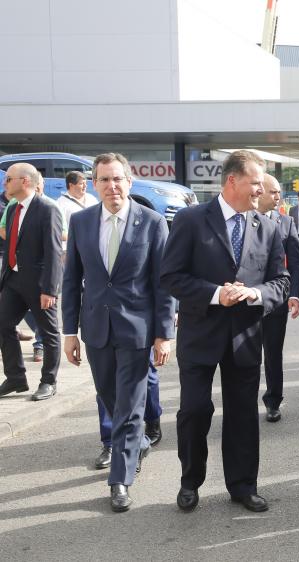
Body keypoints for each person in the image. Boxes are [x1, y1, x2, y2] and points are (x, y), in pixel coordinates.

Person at [160, 150, 290, 513]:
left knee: (243, 415)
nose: (260, 190)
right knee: (195, 410)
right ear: (232, 181)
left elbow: (281, 281)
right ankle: (190, 481)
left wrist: (254, 293)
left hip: (245, 339)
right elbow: (170, 276)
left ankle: (243, 485)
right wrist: (217, 294)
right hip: (200, 335)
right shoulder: (190, 220)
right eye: (255, 183)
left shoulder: (267, 226)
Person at [61, 152, 175, 512]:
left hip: (137, 330)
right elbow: (71, 279)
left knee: (129, 405)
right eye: (104, 180)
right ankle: (136, 441)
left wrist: (164, 333)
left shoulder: (153, 223)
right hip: (95, 328)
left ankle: (121, 481)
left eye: (118, 179)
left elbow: (163, 284)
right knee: (108, 397)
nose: (112, 186)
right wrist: (68, 332)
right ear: (94, 184)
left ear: (129, 181)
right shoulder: (81, 222)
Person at [0, 163, 63, 401]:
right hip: (13, 279)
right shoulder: (14, 208)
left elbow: (53, 251)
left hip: (39, 284)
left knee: (48, 333)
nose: (5, 183)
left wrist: (50, 289)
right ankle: (16, 378)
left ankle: (48, 381)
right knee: (3, 325)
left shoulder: (48, 208)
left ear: (25, 181)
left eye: (8, 179)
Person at [258, 174, 299, 422]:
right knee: (244, 355)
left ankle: (273, 401)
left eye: (279, 192)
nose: (278, 197)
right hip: (246, 301)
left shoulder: (286, 222)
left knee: (273, 353)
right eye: (273, 192)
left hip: (276, 301)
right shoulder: (243, 220)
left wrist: (294, 294)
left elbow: (296, 262)